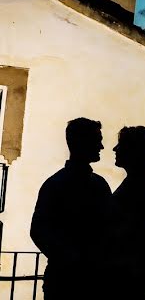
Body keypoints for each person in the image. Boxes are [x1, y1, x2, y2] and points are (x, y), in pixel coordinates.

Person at [30, 117, 113, 300]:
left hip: (64, 279)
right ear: (82, 143)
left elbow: (39, 231)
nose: (101, 147)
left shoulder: (54, 184)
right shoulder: (99, 185)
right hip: (83, 280)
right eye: (97, 140)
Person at [110, 126, 145, 300]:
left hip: (132, 269)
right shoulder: (140, 183)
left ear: (134, 151)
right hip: (140, 267)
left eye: (121, 145)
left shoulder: (138, 186)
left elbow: (125, 230)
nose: (115, 149)